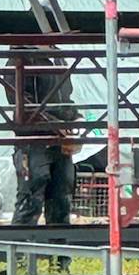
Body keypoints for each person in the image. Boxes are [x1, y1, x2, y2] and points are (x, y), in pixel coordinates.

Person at [11, 51, 80, 226]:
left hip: (58, 142)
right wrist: (61, 126)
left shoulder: (57, 57)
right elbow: (23, 105)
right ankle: (20, 250)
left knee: (61, 201)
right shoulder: (21, 58)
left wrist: (76, 119)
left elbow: (65, 98)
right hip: (33, 141)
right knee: (30, 200)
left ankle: (59, 250)